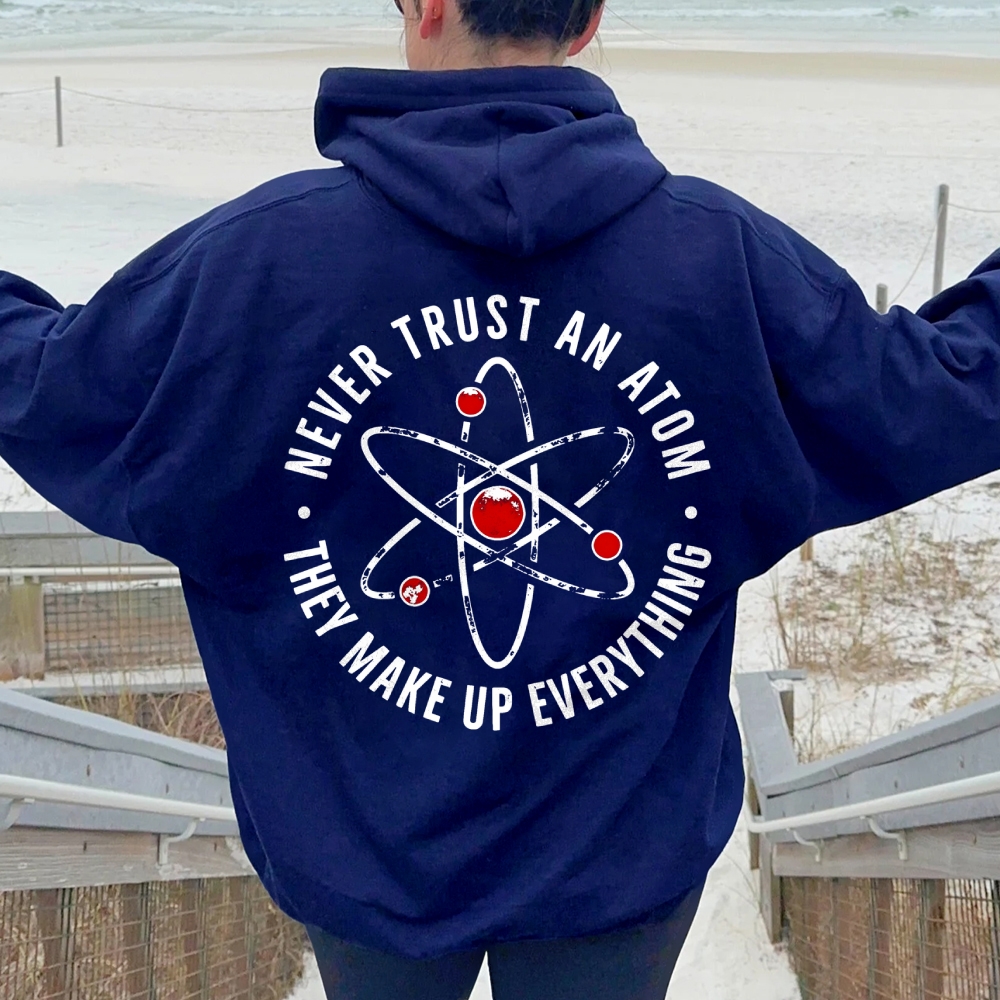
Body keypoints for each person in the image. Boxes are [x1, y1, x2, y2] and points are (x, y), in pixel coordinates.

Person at [2, 0, 1000, 995]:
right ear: (588, 18)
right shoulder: (721, 262)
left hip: (361, 849)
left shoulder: (254, 262)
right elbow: (941, 394)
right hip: (620, 852)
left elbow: (50, 391)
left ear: (428, 5)